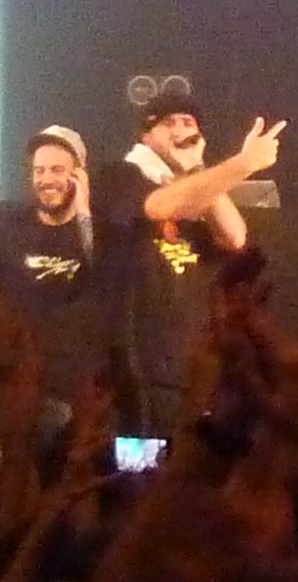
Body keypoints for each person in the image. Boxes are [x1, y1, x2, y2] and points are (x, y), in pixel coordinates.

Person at [92, 94, 285, 435]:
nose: (181, 131)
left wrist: (198, 168)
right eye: (169, 123)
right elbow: (158, 207)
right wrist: (242, 164)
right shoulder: (119, 175)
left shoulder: (200, 188)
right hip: (136, 374)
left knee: (186, 463)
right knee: (140, 465)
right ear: (146, 136)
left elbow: (234, 237)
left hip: (189, 373)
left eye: (188, 123)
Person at [0, 124, 107, 418]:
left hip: (81, 393)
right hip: (19, 390)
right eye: (39, 171)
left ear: (79, 174)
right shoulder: (10, 227)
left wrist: (84, 213)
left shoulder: (102, 230)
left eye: (57, 170)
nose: (46, 179)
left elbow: (104, 277)